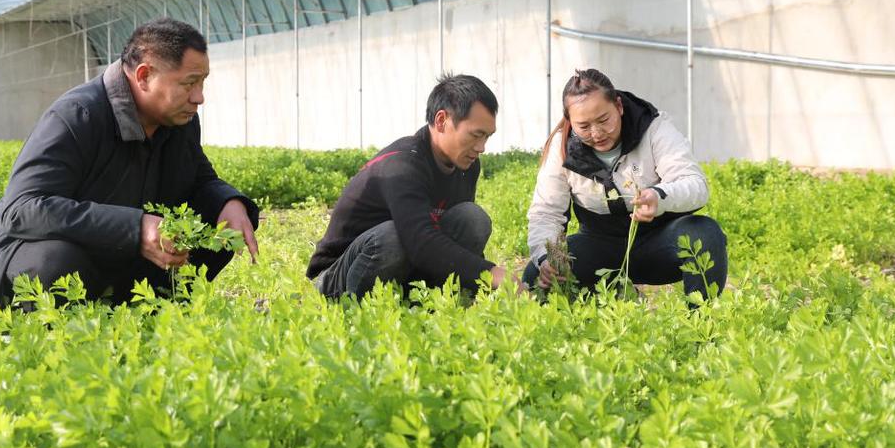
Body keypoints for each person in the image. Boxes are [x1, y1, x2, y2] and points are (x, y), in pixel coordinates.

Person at [0, 17, 260, 328]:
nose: (199, 97)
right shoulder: (77, 116)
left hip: (110, 259)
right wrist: (136, 228)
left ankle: (153, 323)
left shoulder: (178, 119)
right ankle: (42, 343)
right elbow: (23, 208)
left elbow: (198, 178)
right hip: (24, 274)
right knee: (57, 262)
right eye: (188, 83)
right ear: (144, 76)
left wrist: (228, 203)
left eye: (202, 82)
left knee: (212, 229)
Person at [307, 73, 519, 299]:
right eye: (476, 135)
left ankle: (427, 305)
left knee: (472, 218)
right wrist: (493, 273)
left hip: (403, 269)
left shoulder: (467, 166)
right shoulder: (402, 164)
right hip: (337, 276)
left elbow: (444, 245)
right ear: (441, 121)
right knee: (392, 239)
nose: (481, 147)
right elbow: (421, 243)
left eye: (487, 136)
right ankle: (354, 311)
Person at [524, 68, 727, 298]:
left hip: (659, 243)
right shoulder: (561, 148)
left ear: (619, 107)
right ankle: (612, 298)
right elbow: (546, 213)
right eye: (584, 127)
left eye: (604, 120)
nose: (597, 133)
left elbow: (695, 184)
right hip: (599, 245)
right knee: (535, 277)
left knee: (705, 235)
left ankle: (700, 327)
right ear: (571, 122)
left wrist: (658, 196)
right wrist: (546, 258)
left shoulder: (653, 127)